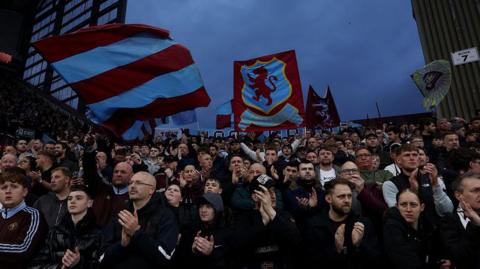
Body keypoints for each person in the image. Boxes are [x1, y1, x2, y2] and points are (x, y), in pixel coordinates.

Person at [100, 172, 179, 269]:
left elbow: (165, 258)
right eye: (131, 183)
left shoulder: (166, 216)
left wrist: (136, 233)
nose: (132, 186)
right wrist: (122, 246)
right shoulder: (120, 216)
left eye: (139, 183)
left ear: (151, 190)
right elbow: (101, 259)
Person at [303, 178, 381, 269]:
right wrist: (336, 249)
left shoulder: (363, 223)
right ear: (329, 199)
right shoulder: (314, 225)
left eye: (349, 196)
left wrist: (359, 245)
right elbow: (308, 262)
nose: (347, 200)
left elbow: (377, 260)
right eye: (341, 196)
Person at [230, 176, 301, 269]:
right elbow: (237, 245)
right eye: (267, 191)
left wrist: (271, 213)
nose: (273, 195)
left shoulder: (284, 214)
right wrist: (263, 222)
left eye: (273, 191)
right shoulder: (243, 218)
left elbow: (296, 240)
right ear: (255, 196)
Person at [30, 185, 103, 269]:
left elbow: (99, 265)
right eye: (69, 198)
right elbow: (35, 264)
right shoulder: (54, 231)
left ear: (89, 203)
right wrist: (61, 267)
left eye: (78, 198)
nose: (72, 201)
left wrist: (78, 263)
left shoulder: (98, 234)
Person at [383, 144, 453, 226]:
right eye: (407, 155)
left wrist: (435, 185)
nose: (412, 158)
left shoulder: (431, 178)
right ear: (398, 161)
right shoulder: (390, 184)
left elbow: (447, 210)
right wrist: (413, 190)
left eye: (415, 155)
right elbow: (397, 214)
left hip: (436, 228)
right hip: (409, 231)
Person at [383, 188, 451, 269]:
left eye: (413, 205)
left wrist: (440, 262)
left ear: (422, 207)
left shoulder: (427, 225)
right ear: (397, 206)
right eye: (403, 205)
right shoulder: (392, 227)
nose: (408, 209)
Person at [0, 168, 48, 269]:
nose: (8, 191)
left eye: (14, 187)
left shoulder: (33, 215)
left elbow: (23, 249)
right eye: (3, 187)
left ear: (25, 191)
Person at [177, 193, 231, 269]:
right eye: (201, 206)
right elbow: (180, 260)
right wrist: (192, 251)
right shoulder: (190, 230)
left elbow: (229, 261)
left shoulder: (227, 233)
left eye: (208, 207)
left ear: (217, 210)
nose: (203, 210)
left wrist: (212, 253)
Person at [440, 172, 480, 269]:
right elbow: (459, 257)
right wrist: (476, 225)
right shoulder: (448, 222)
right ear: (458, 195)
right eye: (475, 191)